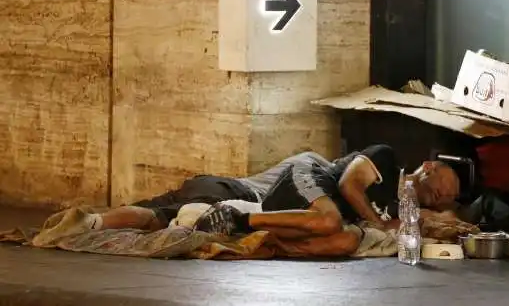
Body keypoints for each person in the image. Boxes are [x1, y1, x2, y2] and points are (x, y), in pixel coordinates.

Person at [58, 145, 459, 240]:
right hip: (237, 191)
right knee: (168, 210)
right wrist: (379, 225)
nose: (442, 198)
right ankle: (89, 221)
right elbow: (349, 184)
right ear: (429, 168)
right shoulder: (384, 163)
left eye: (447, 199)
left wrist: (447, 223)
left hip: (237, 200)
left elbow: (405, 222)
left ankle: (91, 222)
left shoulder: (397, 206)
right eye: (444, 188)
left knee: (160, 218)